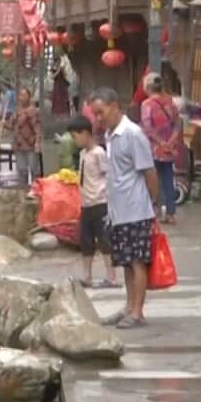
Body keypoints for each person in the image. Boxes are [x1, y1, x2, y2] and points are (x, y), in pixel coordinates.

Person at [89, 87, 159, 329]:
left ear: (115, 106)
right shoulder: (111, 135)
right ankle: (129, 306)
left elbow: (149, 172)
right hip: (118, 210)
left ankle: (138, 312)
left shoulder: (132, 133)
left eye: (101, 112)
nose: (98, 118)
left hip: (136, 209)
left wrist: (152, 205)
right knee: (127, 262)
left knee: (138, 262)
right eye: (95, 114)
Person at [69, 115, 118, 289]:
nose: (75, 141)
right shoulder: (83, 154)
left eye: (75, 136)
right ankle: (87, 276)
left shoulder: (99, 153)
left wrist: (105, 195)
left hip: (100, 202)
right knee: (86, 242)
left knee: (105, 241)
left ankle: (111, 277)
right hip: (86, 203)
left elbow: (107, 175)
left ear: (85, 133)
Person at [140, 73, 182, 224]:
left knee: (152, 179)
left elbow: (147, 128)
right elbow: (177, 124)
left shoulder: (147, 104)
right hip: (169, 149)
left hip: (154, 149)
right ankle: (171, 213)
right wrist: (170, 142)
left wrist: (160, 142)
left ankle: (155, 212)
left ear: (148, 87)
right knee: (168, 180)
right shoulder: (171, 101)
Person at [11, 88, 42, 185]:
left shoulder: (33, 111)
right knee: (21, 171)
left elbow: (37, 127)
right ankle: (22, 193)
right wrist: (3, 123)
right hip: (19, 145)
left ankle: (35, 193)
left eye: (24, 95)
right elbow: (11, 125)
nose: (22, 97)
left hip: (30, 145)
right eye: (20, 95)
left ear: (29, 97)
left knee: (34, 171)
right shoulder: (16, 110)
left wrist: (37, 142)